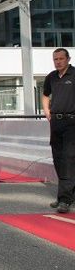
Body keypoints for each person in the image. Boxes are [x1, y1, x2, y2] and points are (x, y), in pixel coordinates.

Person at [42, 48, 75, 214]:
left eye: (61, 58)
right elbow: (45, 94)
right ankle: (67, 194)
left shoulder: (74, 74)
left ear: (68, 59)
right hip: (56, 122)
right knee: (58, 160)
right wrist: (46, 111)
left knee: (69, 160)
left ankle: (64, 199)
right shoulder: (51, 77)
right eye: (55, 59)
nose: (58, 61)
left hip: (72, 123)